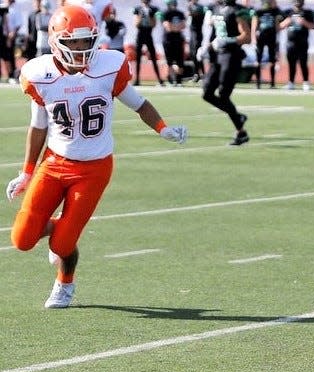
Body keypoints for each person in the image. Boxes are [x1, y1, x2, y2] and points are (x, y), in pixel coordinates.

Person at [6, 5, 187, 309]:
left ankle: (65, 283)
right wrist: (26, 172)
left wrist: (162, 128)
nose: (81, 49)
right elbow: (38, 126)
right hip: (54, 163)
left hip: (94, 168)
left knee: (63, 244)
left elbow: (140, 104)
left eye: (86, 41)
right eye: (73, 42)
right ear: (56, 42)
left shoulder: (107, 66)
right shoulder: (41, 74)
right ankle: (59, 227)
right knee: (22, 239)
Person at [203, 0, 250, 145]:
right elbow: (217, 33)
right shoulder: (216, 7)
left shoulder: (237, 10)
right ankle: (238, 117)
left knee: (224, 95)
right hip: (218, 55)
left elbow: (246, 36)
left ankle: (240, 132)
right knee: (207, 92)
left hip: (232, 55)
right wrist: (207, 46)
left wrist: (227, 41)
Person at [279, 0, 314, 91]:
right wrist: (287, 22)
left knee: (303, 63)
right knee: (291, 64)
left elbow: (313, 26)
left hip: (302, 42)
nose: (297, 2)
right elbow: (279, 26)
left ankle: (306, 82)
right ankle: (291, 82)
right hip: (290, 42)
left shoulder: (308, 13)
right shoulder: (287, 12)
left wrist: (304, 22)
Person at [251, 0, 282, 89]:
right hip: (261, 38)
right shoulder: (258, 11)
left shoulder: (275, 11)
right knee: (258, 60)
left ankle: (272, 83)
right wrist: (253, 38)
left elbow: (277, 25)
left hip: (271, 38)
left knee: (272, 60)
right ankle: (258, 83)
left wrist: (277, 36)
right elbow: (254, 25)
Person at [133, 0, 164, 86]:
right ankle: (137, 79)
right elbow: (136, 24)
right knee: (138, 58)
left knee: (153, 56)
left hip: (148, 34)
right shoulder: (138, 9)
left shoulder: (153, 9)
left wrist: (149, 15)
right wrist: (141, 15)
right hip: (140, 34)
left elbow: (153, 24)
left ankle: (159, 79)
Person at [160, 0, 187, 86]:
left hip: (178, 39)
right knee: (169, 61)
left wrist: (175, 27)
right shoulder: (165, 13)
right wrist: (176, 27)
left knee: (180, 61)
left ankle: (179, 80)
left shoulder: (180, 13)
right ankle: (171, 79)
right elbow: (167, 27)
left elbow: (183, 25)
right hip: (168, 40)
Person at [187, 0, 208, 82]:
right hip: (192, 33)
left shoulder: (200, 7)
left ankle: (202, 73)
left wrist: (191, 10)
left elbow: (196, 14)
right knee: (192, 54)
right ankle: (196, 74)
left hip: (197, 33)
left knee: (197, 54)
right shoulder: (191, 6)